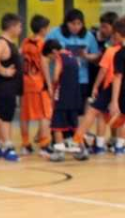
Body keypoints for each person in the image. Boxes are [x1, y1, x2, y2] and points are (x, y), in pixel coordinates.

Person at [46, 9, 100, 148]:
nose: (76, 27)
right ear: (66, 23)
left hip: (81, 79)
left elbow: (96, 55)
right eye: (73, 23)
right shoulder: (55, 33)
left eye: (79, 24)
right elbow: (45, 52)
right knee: (59, 111)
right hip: (62, 82)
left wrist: (86, 56)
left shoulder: (88, 36)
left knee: (77, 111)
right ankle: (58, 140)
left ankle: (74, 139)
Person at [70, 18, 121, 156]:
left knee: (95, 113)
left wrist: (96, 87)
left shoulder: (112, 51)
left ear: (117, 34)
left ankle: (82, 142)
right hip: (113, 87)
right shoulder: (115, 50)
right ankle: (119, 147)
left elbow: (109, 73)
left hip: (112, 87)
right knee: (111, 116)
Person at [0, 13, 23, 162]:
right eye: (19, 26)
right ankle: (8, 147)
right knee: (6, 116)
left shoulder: (9, 42)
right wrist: (4, 71)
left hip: (7, 86)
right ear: (12, 26)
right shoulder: (2, 42)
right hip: (3, 86)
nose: (21, 29)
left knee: (0, 115)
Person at [43, 39, 86, 162]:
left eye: (50, 56)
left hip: (62, 96)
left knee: (57, 125)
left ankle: (59, 152)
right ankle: (82, 150)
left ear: (53, 51)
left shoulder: (59, 58)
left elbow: (56, 76)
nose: (51, 59)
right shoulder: (72, 56)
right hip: (75, 96)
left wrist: (52, 84)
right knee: (74, 125)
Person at [18, 15, 53, 156]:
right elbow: (44, 65)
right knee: (45, 114)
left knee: (25, 115)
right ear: (43, 29)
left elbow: (20, 58)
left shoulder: (25, 41)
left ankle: (25, 144)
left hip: (25, 82)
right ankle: (44, 145)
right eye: (47, 28)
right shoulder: (43, 44)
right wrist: (49, 84)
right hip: (38, 83)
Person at [108, 17, 125, 153]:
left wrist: (114, 101)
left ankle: (119, 146)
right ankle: (120, 146)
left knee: (122, 118)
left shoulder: (119, 54)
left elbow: (118, 77)